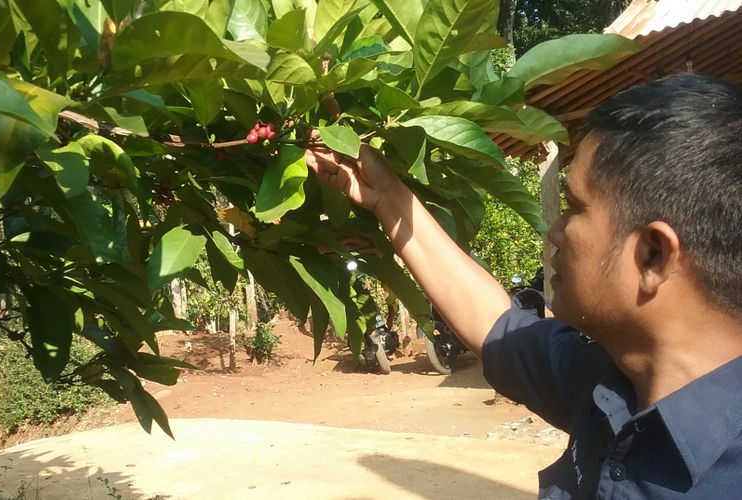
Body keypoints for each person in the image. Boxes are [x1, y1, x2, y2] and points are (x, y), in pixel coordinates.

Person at [305, 73, 742, 499]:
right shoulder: (611, 381)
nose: (555, 232)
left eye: (574, 208)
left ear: (652, 255)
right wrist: (385, 195)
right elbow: (494, 323)